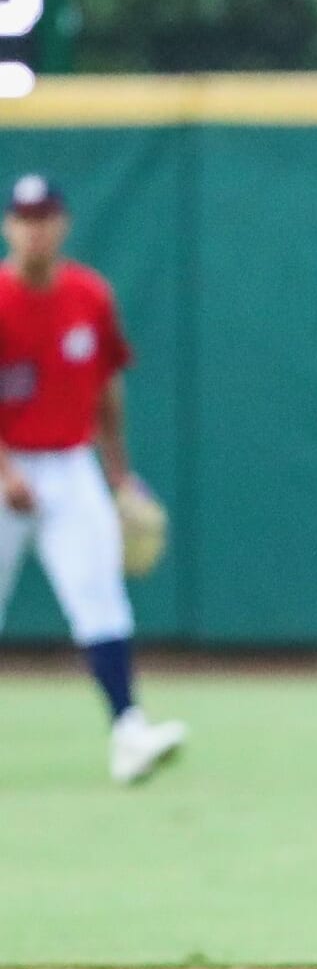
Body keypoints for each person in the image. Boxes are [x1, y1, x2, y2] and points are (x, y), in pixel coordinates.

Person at [0, 174, 185, 784]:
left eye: (45, 215)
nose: (35, 227)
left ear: (63, 224)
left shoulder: (90, 296)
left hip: (71, 465)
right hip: (6, 465)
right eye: (24, 217)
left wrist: (119, 472)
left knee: (100, 597)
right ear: (9, 227)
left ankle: (129, 731)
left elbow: (108, 383)